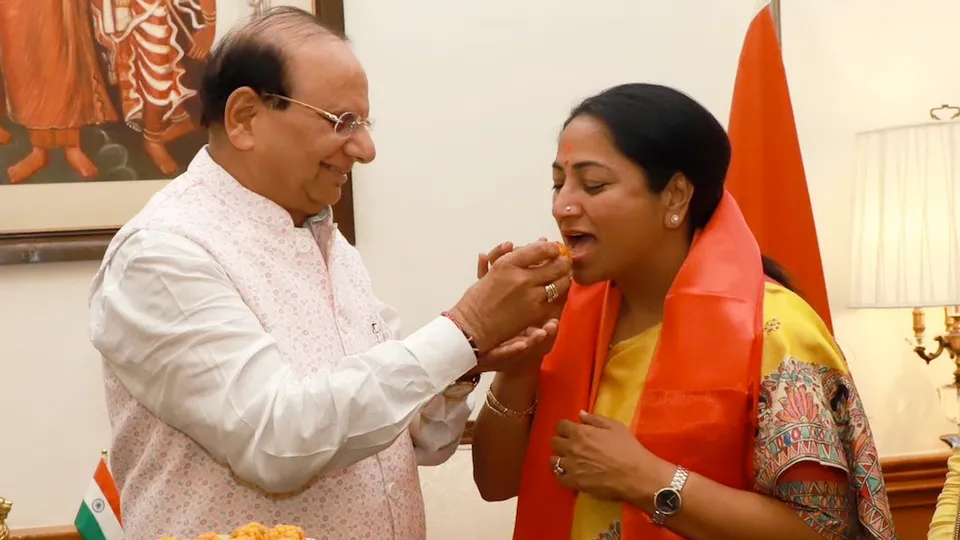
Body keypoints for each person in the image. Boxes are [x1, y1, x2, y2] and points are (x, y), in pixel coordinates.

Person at [87, 7, 570, 540]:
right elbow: (277, 441)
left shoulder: (322, 237)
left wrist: (463, 364)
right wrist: (466, 325)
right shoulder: (163, 254)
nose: (365, 149)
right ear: (245, 117)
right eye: (342, 122)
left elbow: (413, 440)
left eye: (364, 123)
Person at [470, 83, 898, 540]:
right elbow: (495, 484)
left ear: (675, 196)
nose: (562, 205)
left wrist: (647, 480)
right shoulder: (565, 316)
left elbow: (824, 529)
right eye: (559, 183)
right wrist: (519, 366)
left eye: (593, 184)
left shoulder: (773, 330)